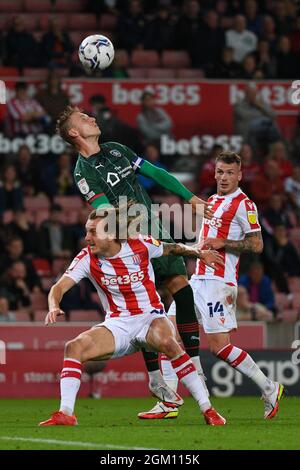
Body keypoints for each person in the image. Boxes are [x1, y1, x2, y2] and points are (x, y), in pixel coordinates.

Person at [56, 105, 212, 417]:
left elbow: (154, 172)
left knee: (183, 289)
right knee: (143, 309)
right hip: (128, 242)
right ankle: (159, 382)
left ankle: (192, 366)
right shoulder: (83, 173)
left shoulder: (116, 149)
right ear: (74, 133)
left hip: (155, 225)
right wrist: (133, 236)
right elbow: (106, 214)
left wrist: (189, 197)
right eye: (84, 118)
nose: (92, 118)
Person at [38, 208, 226, 426]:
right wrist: (53, 306)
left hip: (150, 317)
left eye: (92, 232)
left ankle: (208, 410)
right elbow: (58, 288)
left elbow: (173, 248)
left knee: (168, 342)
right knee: (73, 347)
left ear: (110, 235)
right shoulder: (86, 258)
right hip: (118, 324)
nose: (87, 238)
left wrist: (199, 253)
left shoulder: (141, 244)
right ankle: (65, 414)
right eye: (87, 232)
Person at [141, 151, 284, 420]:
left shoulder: (244, 204)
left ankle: (269, 387)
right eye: (220, 172)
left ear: (239, 175)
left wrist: (224, 243)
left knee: (219, 347)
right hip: (197, 280)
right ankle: (169, 401)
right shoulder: (213, 201)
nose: (224, 177)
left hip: (220, 283)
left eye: (230, 172)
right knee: (166, 333)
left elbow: (257, 245)